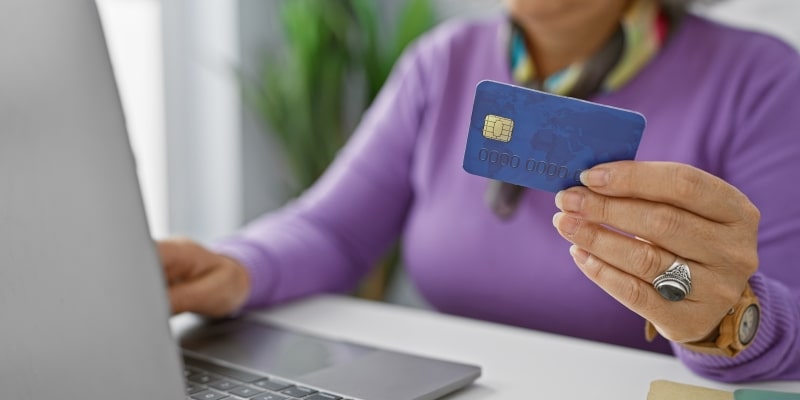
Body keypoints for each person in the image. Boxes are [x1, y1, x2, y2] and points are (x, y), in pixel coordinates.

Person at [159, 0, 800, 383]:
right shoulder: (440, 62)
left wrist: (724, 322)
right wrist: (234, 266)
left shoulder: (763, 80)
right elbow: (332, 229)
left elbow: (785, 317)